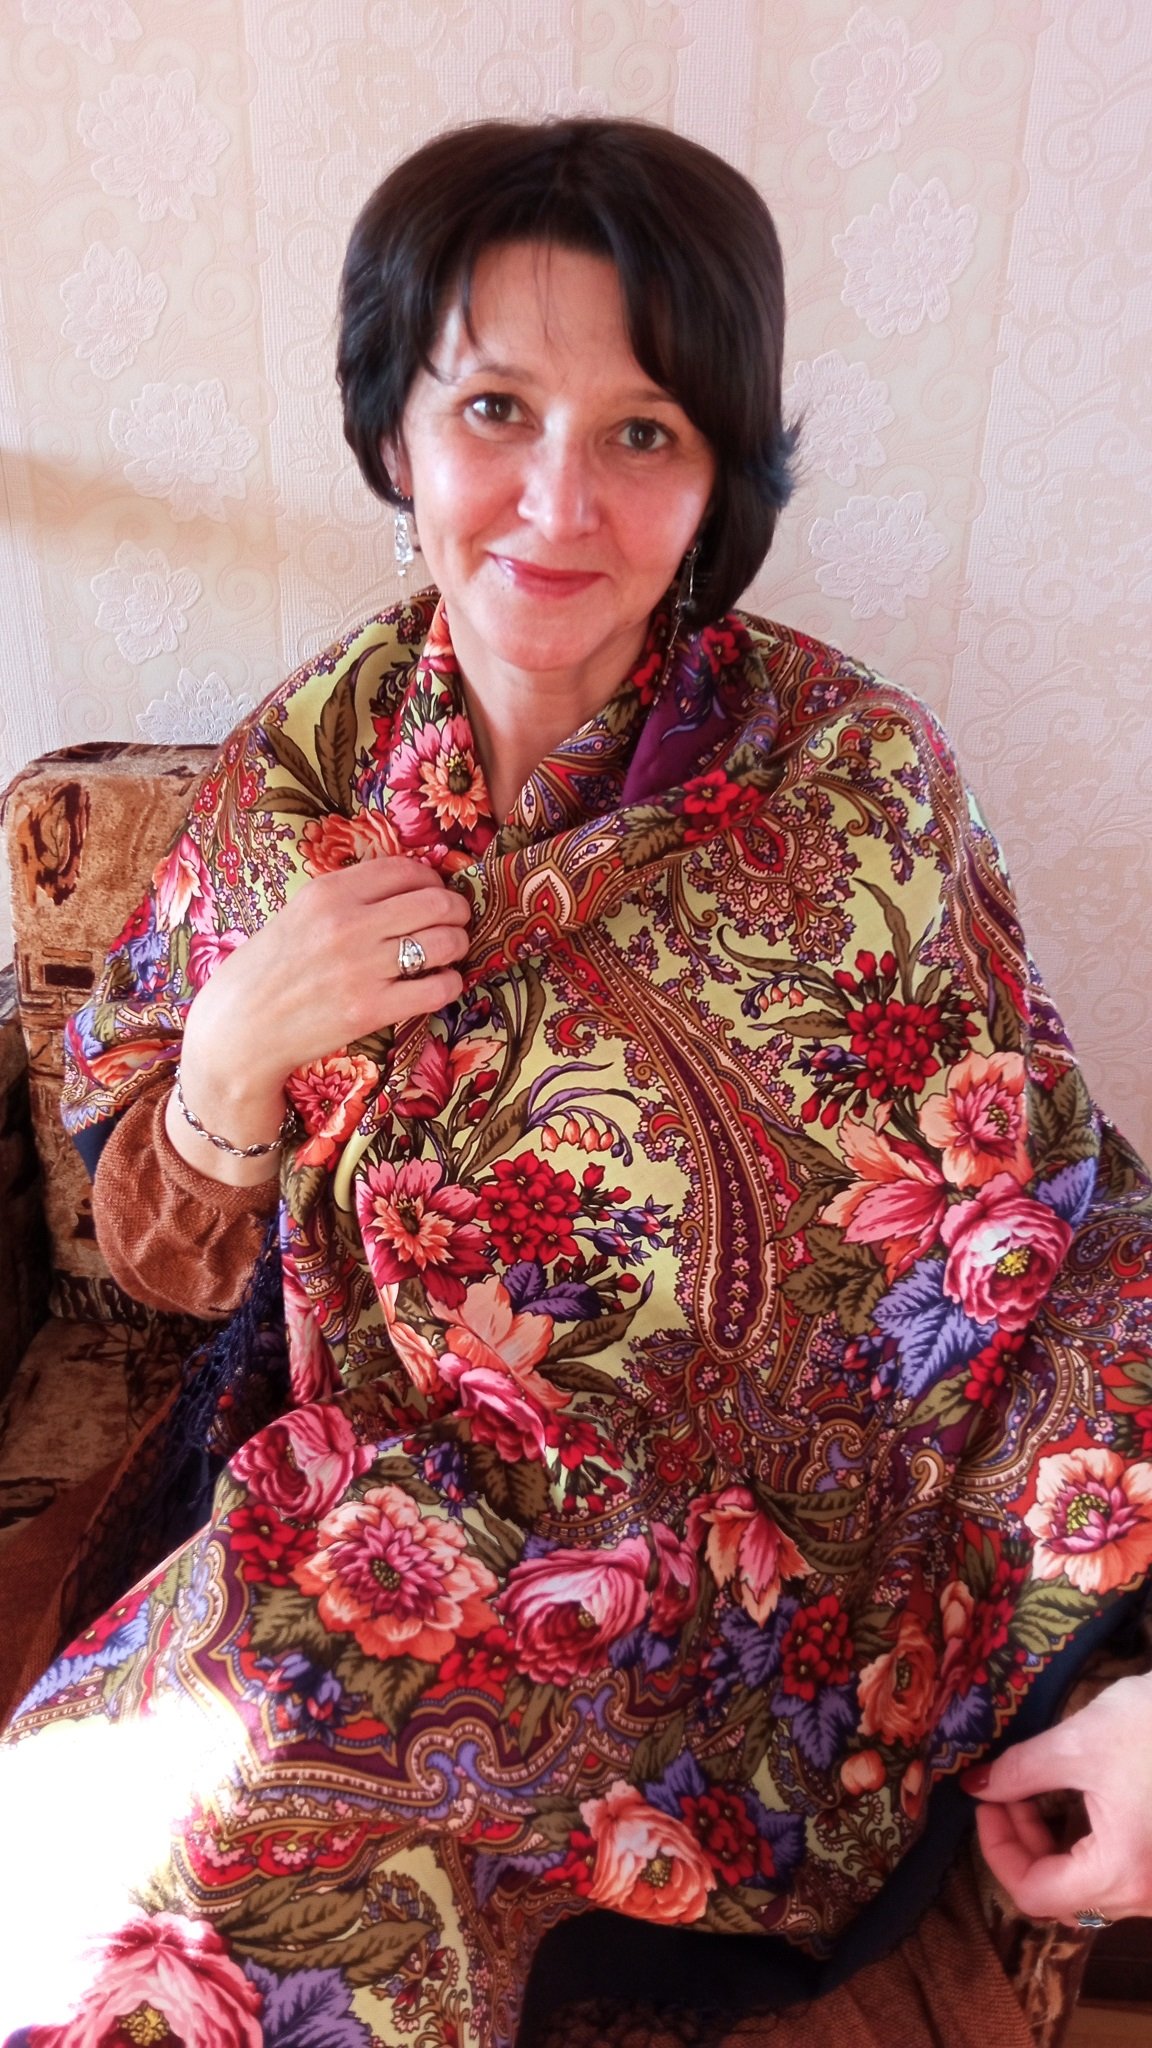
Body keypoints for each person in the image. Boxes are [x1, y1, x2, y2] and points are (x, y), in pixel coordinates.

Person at [1, 117, 1150, 2048]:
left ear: (719, 478)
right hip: (371, 1547)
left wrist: (1135, 1677)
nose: (558, 502)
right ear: (395, 435)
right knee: (108, 1935)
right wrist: (234, 1050)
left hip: (762, 1624)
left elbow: (1047, 1214)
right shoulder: (291, 794)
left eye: (643, 431)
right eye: (494, 409)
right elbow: (165, 1265)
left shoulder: (859, 779)